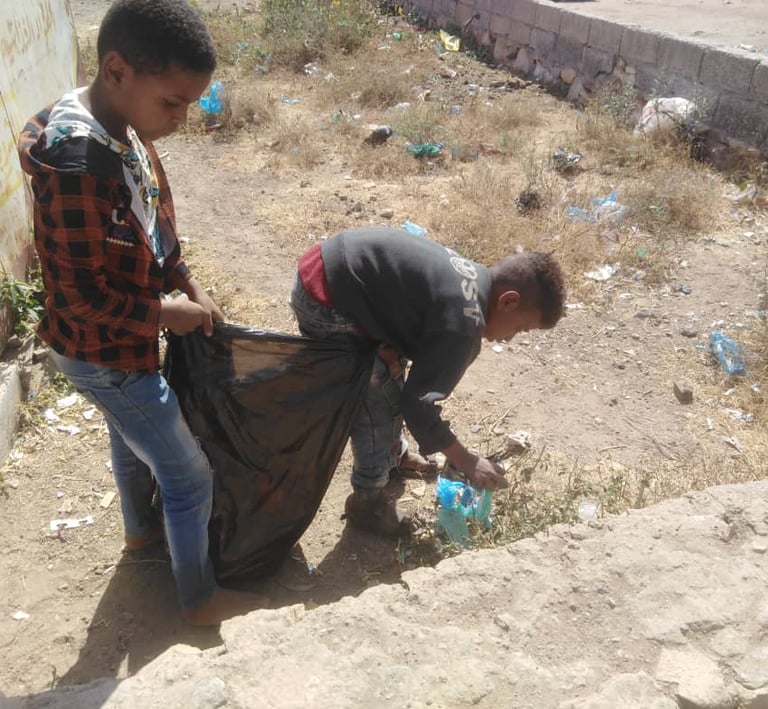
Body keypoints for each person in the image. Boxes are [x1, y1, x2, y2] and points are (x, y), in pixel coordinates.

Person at [18, 0, 255, 626]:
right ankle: (200, 600)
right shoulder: (77, 164)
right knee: (188, 475)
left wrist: (190, 283)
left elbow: (155, 225)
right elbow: (78, 298)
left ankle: (141, 534)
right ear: (117, 70)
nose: (180, 119)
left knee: (130, 440)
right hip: (98, 351)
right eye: (173, 103)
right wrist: (161, 314)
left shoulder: (125, 130)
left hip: (120, 343)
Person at [291, 227, 566, 537]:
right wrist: (468, 461)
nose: (511, 338)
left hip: (334, 269)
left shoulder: (474, 279)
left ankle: (392, 458)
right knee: (378, 402)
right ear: (509, 302)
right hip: (325, 297)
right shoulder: (463, 326)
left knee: (391, 376)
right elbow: (417, 405)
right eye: (521, 329)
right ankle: (367, 503)